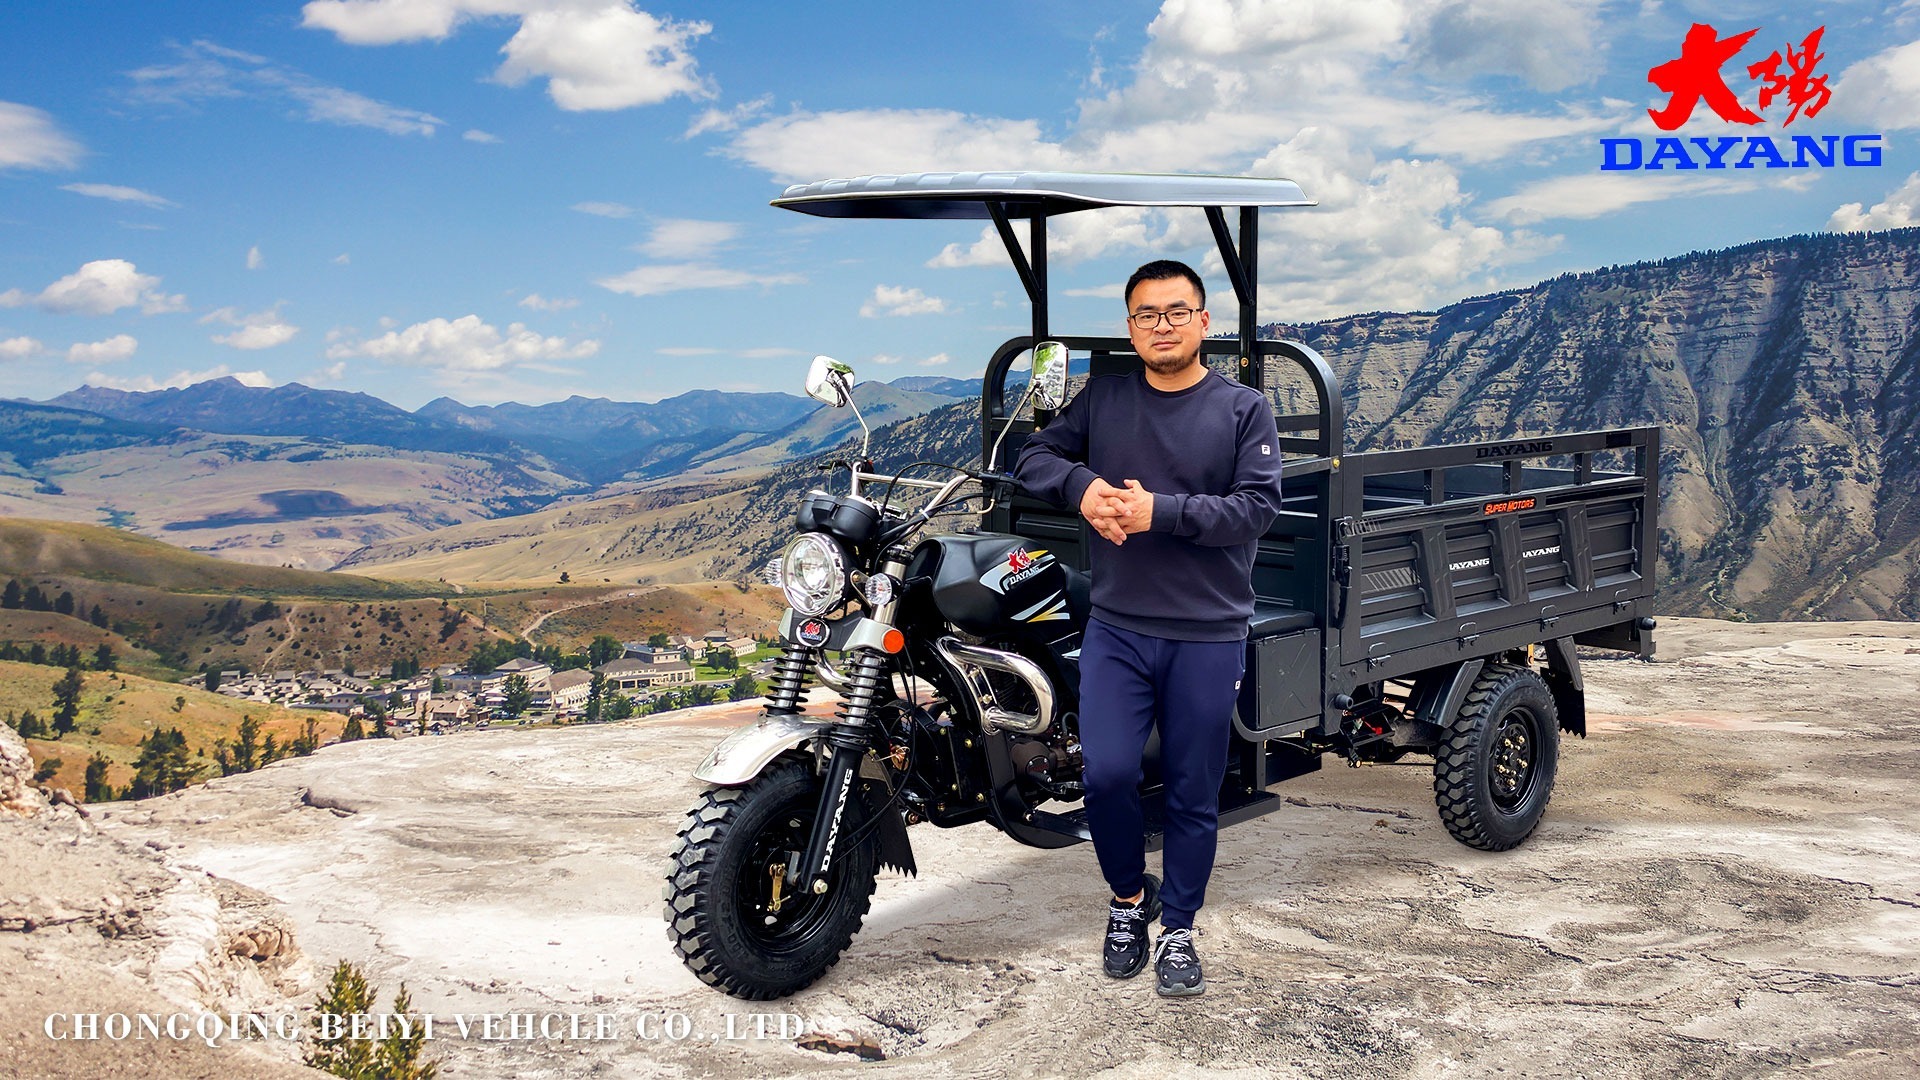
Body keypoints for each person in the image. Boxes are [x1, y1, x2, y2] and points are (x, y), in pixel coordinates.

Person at [1013, 259, 1284, 997]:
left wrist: (1158, 511)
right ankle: (1129, 903)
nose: (1161, 325)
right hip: (1119, 628)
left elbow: (1256, 509)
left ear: (1204, 322)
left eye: (1175, 311)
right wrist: (1084, 488)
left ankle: (1181, 931)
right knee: (1105, 777)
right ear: (1130, 327)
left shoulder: (1242, 410)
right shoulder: (1104, 399)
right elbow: (1031, 456)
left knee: (1194, 791)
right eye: (1145, 314)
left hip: (1206, 632)